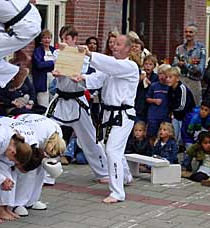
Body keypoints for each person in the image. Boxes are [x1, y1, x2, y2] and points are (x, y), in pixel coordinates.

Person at [78, 34, 140, 203]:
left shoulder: (130, 66)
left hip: (123, 115)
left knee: (112, 151)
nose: (114, 46)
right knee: (112, 149)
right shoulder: (110, 66)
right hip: (108, 113)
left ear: (127, 48)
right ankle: (125, 176)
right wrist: (79, 78)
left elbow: (111, 65)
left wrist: (90, 54)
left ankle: (117, 192)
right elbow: (96, 79)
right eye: (113, 44)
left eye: (118, 44)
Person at [47, 25, 109, 183]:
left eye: (67, 38)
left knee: (89, 138)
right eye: (62, 39)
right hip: (60, 100)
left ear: (74, 39)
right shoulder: (57, 54)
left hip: (78, 101)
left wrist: (81, 77)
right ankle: (47, 174)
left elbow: (91, 78)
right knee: (49, 134)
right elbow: (56, 70)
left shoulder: (85, 57)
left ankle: (102, 172)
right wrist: (56, 73)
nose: (64, 42)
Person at [172, 24, 206, 105]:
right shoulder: (179, 48)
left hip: (194, 82)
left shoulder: (201, 49)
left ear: (195, 34)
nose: (188, 34)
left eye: (191, 32)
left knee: (195, 106)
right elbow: (174, 66)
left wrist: (184, 64)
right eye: (186, 32)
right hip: (181, 81)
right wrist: (190, 64)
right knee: (180, 105)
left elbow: (199, 70)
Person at [166, 66, 196, 149]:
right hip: (176, 116)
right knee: (175, 134)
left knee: (184, 136)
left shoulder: (182, 89)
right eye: (167, 77)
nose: (168, 79)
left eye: (170, 77)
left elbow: (182, 106)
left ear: (177, 78)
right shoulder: (170, 89)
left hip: (186, 116)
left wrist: (171, 109)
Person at [145, 64, 171, 143]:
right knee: (151, 134)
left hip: (165, 115)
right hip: (153, 115)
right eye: (160, 73)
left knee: (163, 135)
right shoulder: (154, 85)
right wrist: (154, 101)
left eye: (164, 74)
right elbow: (147, 98)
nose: (162, 76)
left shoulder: (169, 87)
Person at [32, 29, 56, 108]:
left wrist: (46, 64)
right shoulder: (37, 51)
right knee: (43, 104)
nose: (47, 40)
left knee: (54, 103)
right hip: (42, 80)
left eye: (49, 38)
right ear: (41, 39)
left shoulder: (54, 50)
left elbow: (59, 64)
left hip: (54, 78)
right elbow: (39, 65)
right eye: (45, 38)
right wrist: (52, 63)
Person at [134, 55, 158, 122]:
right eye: (146, 64)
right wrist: (140, 79)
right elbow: (132, 87)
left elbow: (155, 90)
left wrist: (150, 84)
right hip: (138, 104)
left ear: (154, 66)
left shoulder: (156, 77)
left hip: (149, 107)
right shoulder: (138, 74)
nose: (148, 66)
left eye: (150, 64)